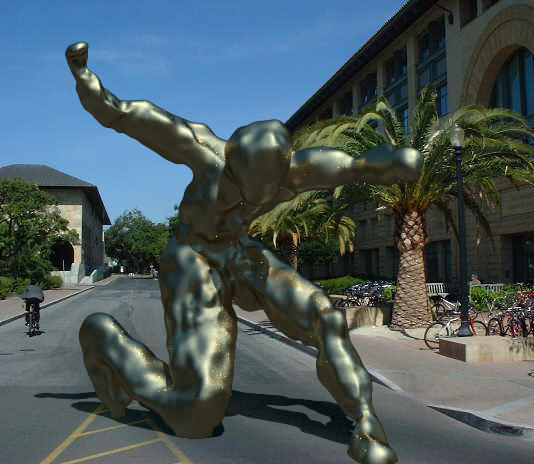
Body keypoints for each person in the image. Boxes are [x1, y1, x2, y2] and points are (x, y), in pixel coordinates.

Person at [67, 41, 422, 464]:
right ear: (231, 163)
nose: (253, 195)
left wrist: (391, 163)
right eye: (244, 184)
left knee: (325, 316)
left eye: (265, 188)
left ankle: (365, 425)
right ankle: (104, 339)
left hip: (238, 252)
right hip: (192, 258)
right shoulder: (203, 149)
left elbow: (356, 165)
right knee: (197, 416)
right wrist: (84, 78)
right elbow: (125, 114)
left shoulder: (295, 171)